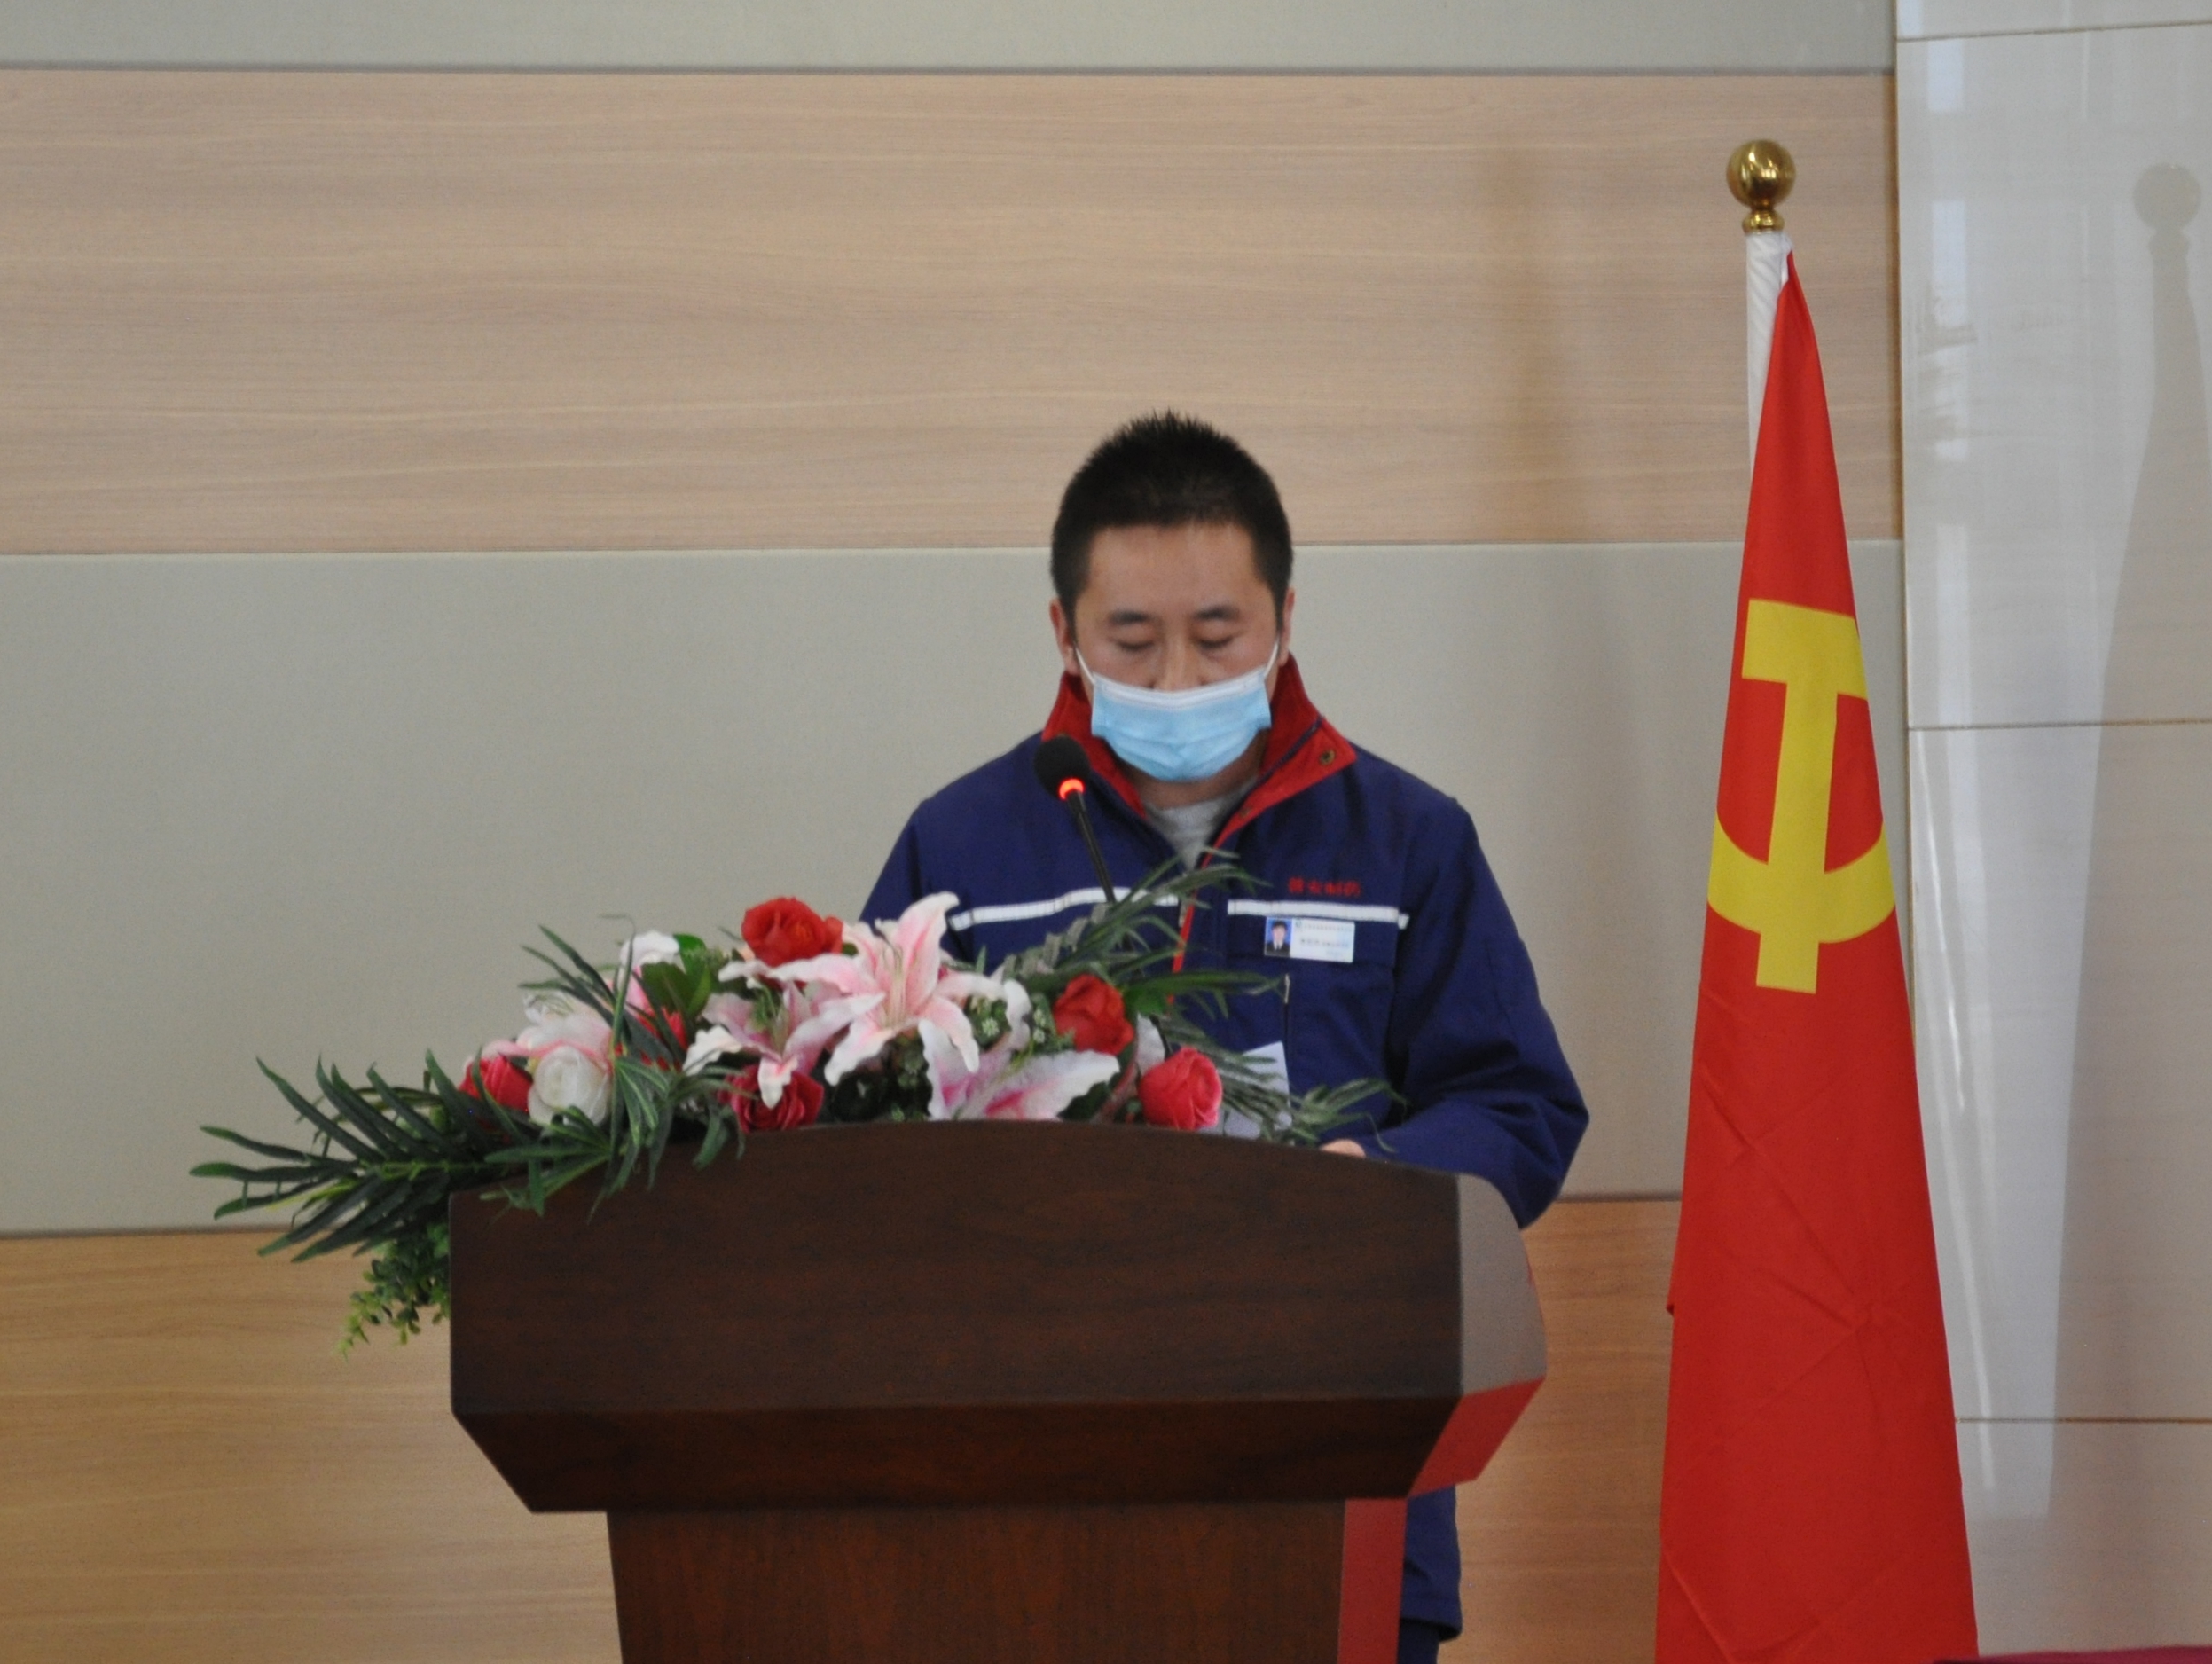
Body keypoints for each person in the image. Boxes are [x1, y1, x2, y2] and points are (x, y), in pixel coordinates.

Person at [863, 412, 1587, 1664]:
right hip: (1033, 1487)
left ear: (1285, 619)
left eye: (1216, 637)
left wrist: (1371, 1189)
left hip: (1344, 1453)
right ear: (1063, 633)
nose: (1177, 682)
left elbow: (1519, 1106)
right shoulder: (963, 844)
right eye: (1131, 642)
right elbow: (867, 1120)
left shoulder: (1405, 840)